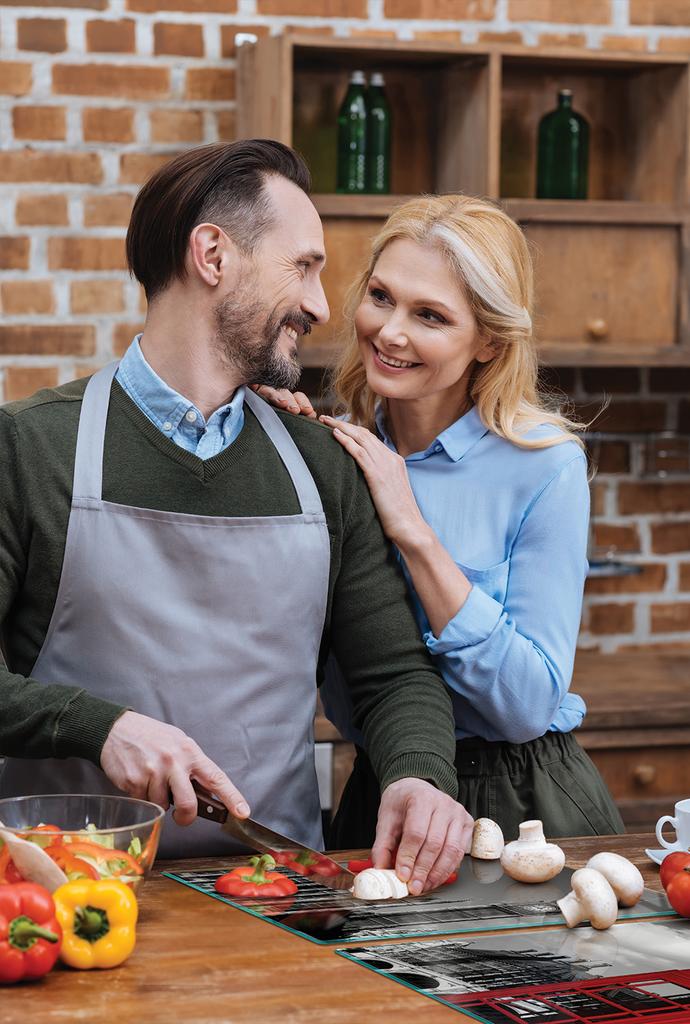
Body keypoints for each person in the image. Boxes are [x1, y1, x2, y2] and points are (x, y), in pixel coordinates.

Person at [0, 142, 474, 890]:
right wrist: (102, 726)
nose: (322, 306)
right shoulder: (30, 447)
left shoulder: (321, 465)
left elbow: (392, 674)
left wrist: (416, 774)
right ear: (213, 256)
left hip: (275, 894)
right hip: (64, 896)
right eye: (303, 267)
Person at [261, 194, 625, 846]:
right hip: (381, 792)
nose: (391, 331)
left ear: (488, 340)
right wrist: (270, 447)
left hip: (522, 802)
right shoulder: (334, 453)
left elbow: (525, 706)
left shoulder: (544, 467)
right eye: (381, 297)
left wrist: (414, 532)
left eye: (429, 315)